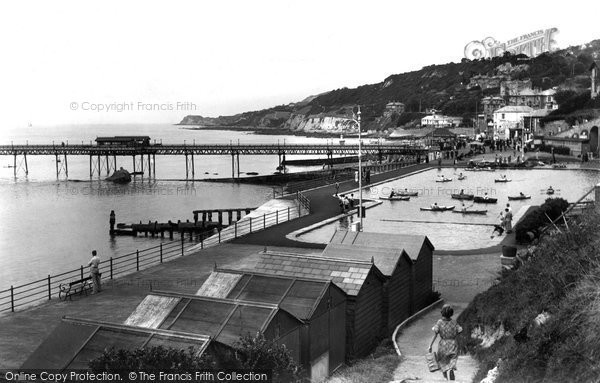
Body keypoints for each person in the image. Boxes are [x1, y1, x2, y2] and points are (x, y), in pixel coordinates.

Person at [428, 305, 463, 381]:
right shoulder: (454, 322)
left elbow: (435, 334)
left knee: (442, 361)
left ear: (442, 313)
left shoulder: (439, 322)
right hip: (453, 343)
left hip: (443, 344)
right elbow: (460, 330)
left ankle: (445, 378)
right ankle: (451, 369)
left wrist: (430, 345)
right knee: (452, 358)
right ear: (451, 313)